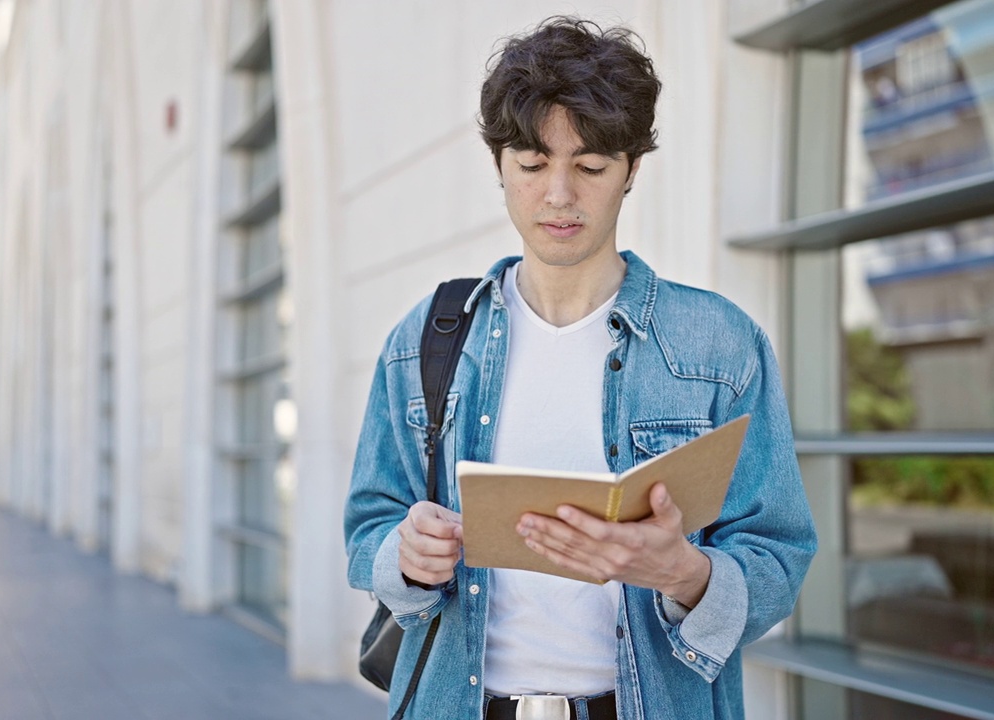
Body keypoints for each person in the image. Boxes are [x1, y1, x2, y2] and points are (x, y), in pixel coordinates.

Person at [345, 16, 817, 720]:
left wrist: (685, 574)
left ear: (631, 170)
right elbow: (369, 526)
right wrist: (407, 555)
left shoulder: (720, 344)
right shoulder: (426, 340)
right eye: (533, 164)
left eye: (590, 166)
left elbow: (778, 551)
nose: (560, 194)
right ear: (499, 166)